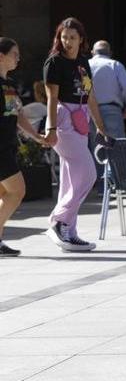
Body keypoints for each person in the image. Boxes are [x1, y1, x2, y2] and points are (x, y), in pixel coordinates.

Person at [42, 18, 109, 252]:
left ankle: (69, 232)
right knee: (89, 174)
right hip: (63, 121)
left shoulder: (83, 63)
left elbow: (90, 97)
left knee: (70, 179)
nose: (67, 41)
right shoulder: (54, 62)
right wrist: (50, 129)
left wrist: (101, 127)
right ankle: (60, 220)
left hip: (81, 121)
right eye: (64, 36)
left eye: (72, 37)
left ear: (81, 39)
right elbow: (51, 98)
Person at [1, 38, 48, 258]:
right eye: (14, 54)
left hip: (8, 146)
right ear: (1, 56)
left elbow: (18, 115)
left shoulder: (8, 84)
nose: (18, 58)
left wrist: (36, 136)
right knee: (17, 191)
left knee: (4, 194)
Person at [88, 40, 126, 140]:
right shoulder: (115, 65)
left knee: (95, 150)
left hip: (89, 112)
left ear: (92, 52)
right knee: (116, 150)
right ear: (110, 53)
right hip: (112, 111)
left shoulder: (86, 65)